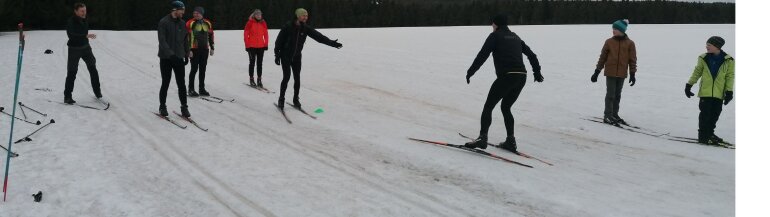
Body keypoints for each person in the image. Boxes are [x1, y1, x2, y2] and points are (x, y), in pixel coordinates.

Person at [463, 15, 543, 153]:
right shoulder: (516, 37)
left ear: (496, 24)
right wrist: (537, 72)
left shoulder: (494, 36)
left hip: (507, 76)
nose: (491, 27)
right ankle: (510, 141)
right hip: (521, 77)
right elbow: (532, 55)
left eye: (492, 24)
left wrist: (471, 71)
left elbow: (483, 55)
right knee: (506, 107)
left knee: (488, 106)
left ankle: (482, 138)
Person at [274, 8, 343, 109]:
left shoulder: (305, 28)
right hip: (286, 56)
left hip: (297, 57)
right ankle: (281, 99)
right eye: (303, 16)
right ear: (298, 16)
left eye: (306, 16)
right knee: (286, 77)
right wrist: (277, 55)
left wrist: (332, 43)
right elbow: (278, 41)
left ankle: (295, 99)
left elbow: (319, 37)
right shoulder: (288, 26)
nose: (306, 18)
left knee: (297, 78)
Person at [685, 36, 734, 145]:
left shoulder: (728, 60)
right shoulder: (703, 58)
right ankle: (703, 136)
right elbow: (697, 72)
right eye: (707, 45)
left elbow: (730, 77)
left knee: (715, 114)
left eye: (709, 45)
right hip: (705, 93)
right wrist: (689, 85)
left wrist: (729, 92)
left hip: (719, 94)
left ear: (717, 47)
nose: (706, 47)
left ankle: (710, 133)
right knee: (705, 114)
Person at [591, 19, 637, 125]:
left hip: (622, 73)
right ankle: (607, 115)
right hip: (610, 72)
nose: (613, 31)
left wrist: (633, 74)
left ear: (622, 30)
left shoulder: (630, 43)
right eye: (613, 28)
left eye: (615, 29)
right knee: (610, 94)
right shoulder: (609, 42)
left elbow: (632, 60)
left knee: (617, 95)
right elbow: (602, 57)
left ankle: (614, 114)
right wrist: (597, 72)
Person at [157, 1, 191, 117]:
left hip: (179, 57)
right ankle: (162, 106)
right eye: (182, 10)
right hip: (166, 58)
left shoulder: (183, 23)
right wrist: (171, 55)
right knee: (165, 82)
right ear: (175, 10)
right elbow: (162, 41)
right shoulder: (163, 22)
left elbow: (185, 40)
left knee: (181, 84)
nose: (183, 12)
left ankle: (184, 107)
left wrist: (186, 54)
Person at [64, 2, 102, 104]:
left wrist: (86, 38)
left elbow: (84, 34)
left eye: (85, 10)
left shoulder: (85, 19)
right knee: (72, 72)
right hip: (74, 49)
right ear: (76, 11)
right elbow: (71, 35)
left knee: (93, 68)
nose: (84, 13)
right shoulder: (70, 21)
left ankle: (98, 92)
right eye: (82, 11)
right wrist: (85, 36)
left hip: (86, 48)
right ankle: (67, 96)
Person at [186, 6, 215, 97]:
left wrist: (212, 47)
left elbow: (211, 35)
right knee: (194, 69)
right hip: (194, 49)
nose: (195, 15)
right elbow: (186, 37)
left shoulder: (207, 23)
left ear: (202, 14)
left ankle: (201, 89)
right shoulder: (190, 23)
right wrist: (188, 50)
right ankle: (191, 89)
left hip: (204, 49)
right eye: (194, 13)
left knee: (203, 69)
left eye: (197, 13)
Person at [244, 9, 269, 87]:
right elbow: (245, 34)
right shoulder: (250, 23)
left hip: (261, 46)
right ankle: (251, 79)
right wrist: (247, 45)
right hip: (251, 47)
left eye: (260, 15)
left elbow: (266, 34)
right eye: (257, 15)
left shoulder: (263, 23)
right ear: (254, 15)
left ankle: (259, 80)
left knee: (259, 64)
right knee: (252, 63)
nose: (258, 16)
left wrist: (266, 44)